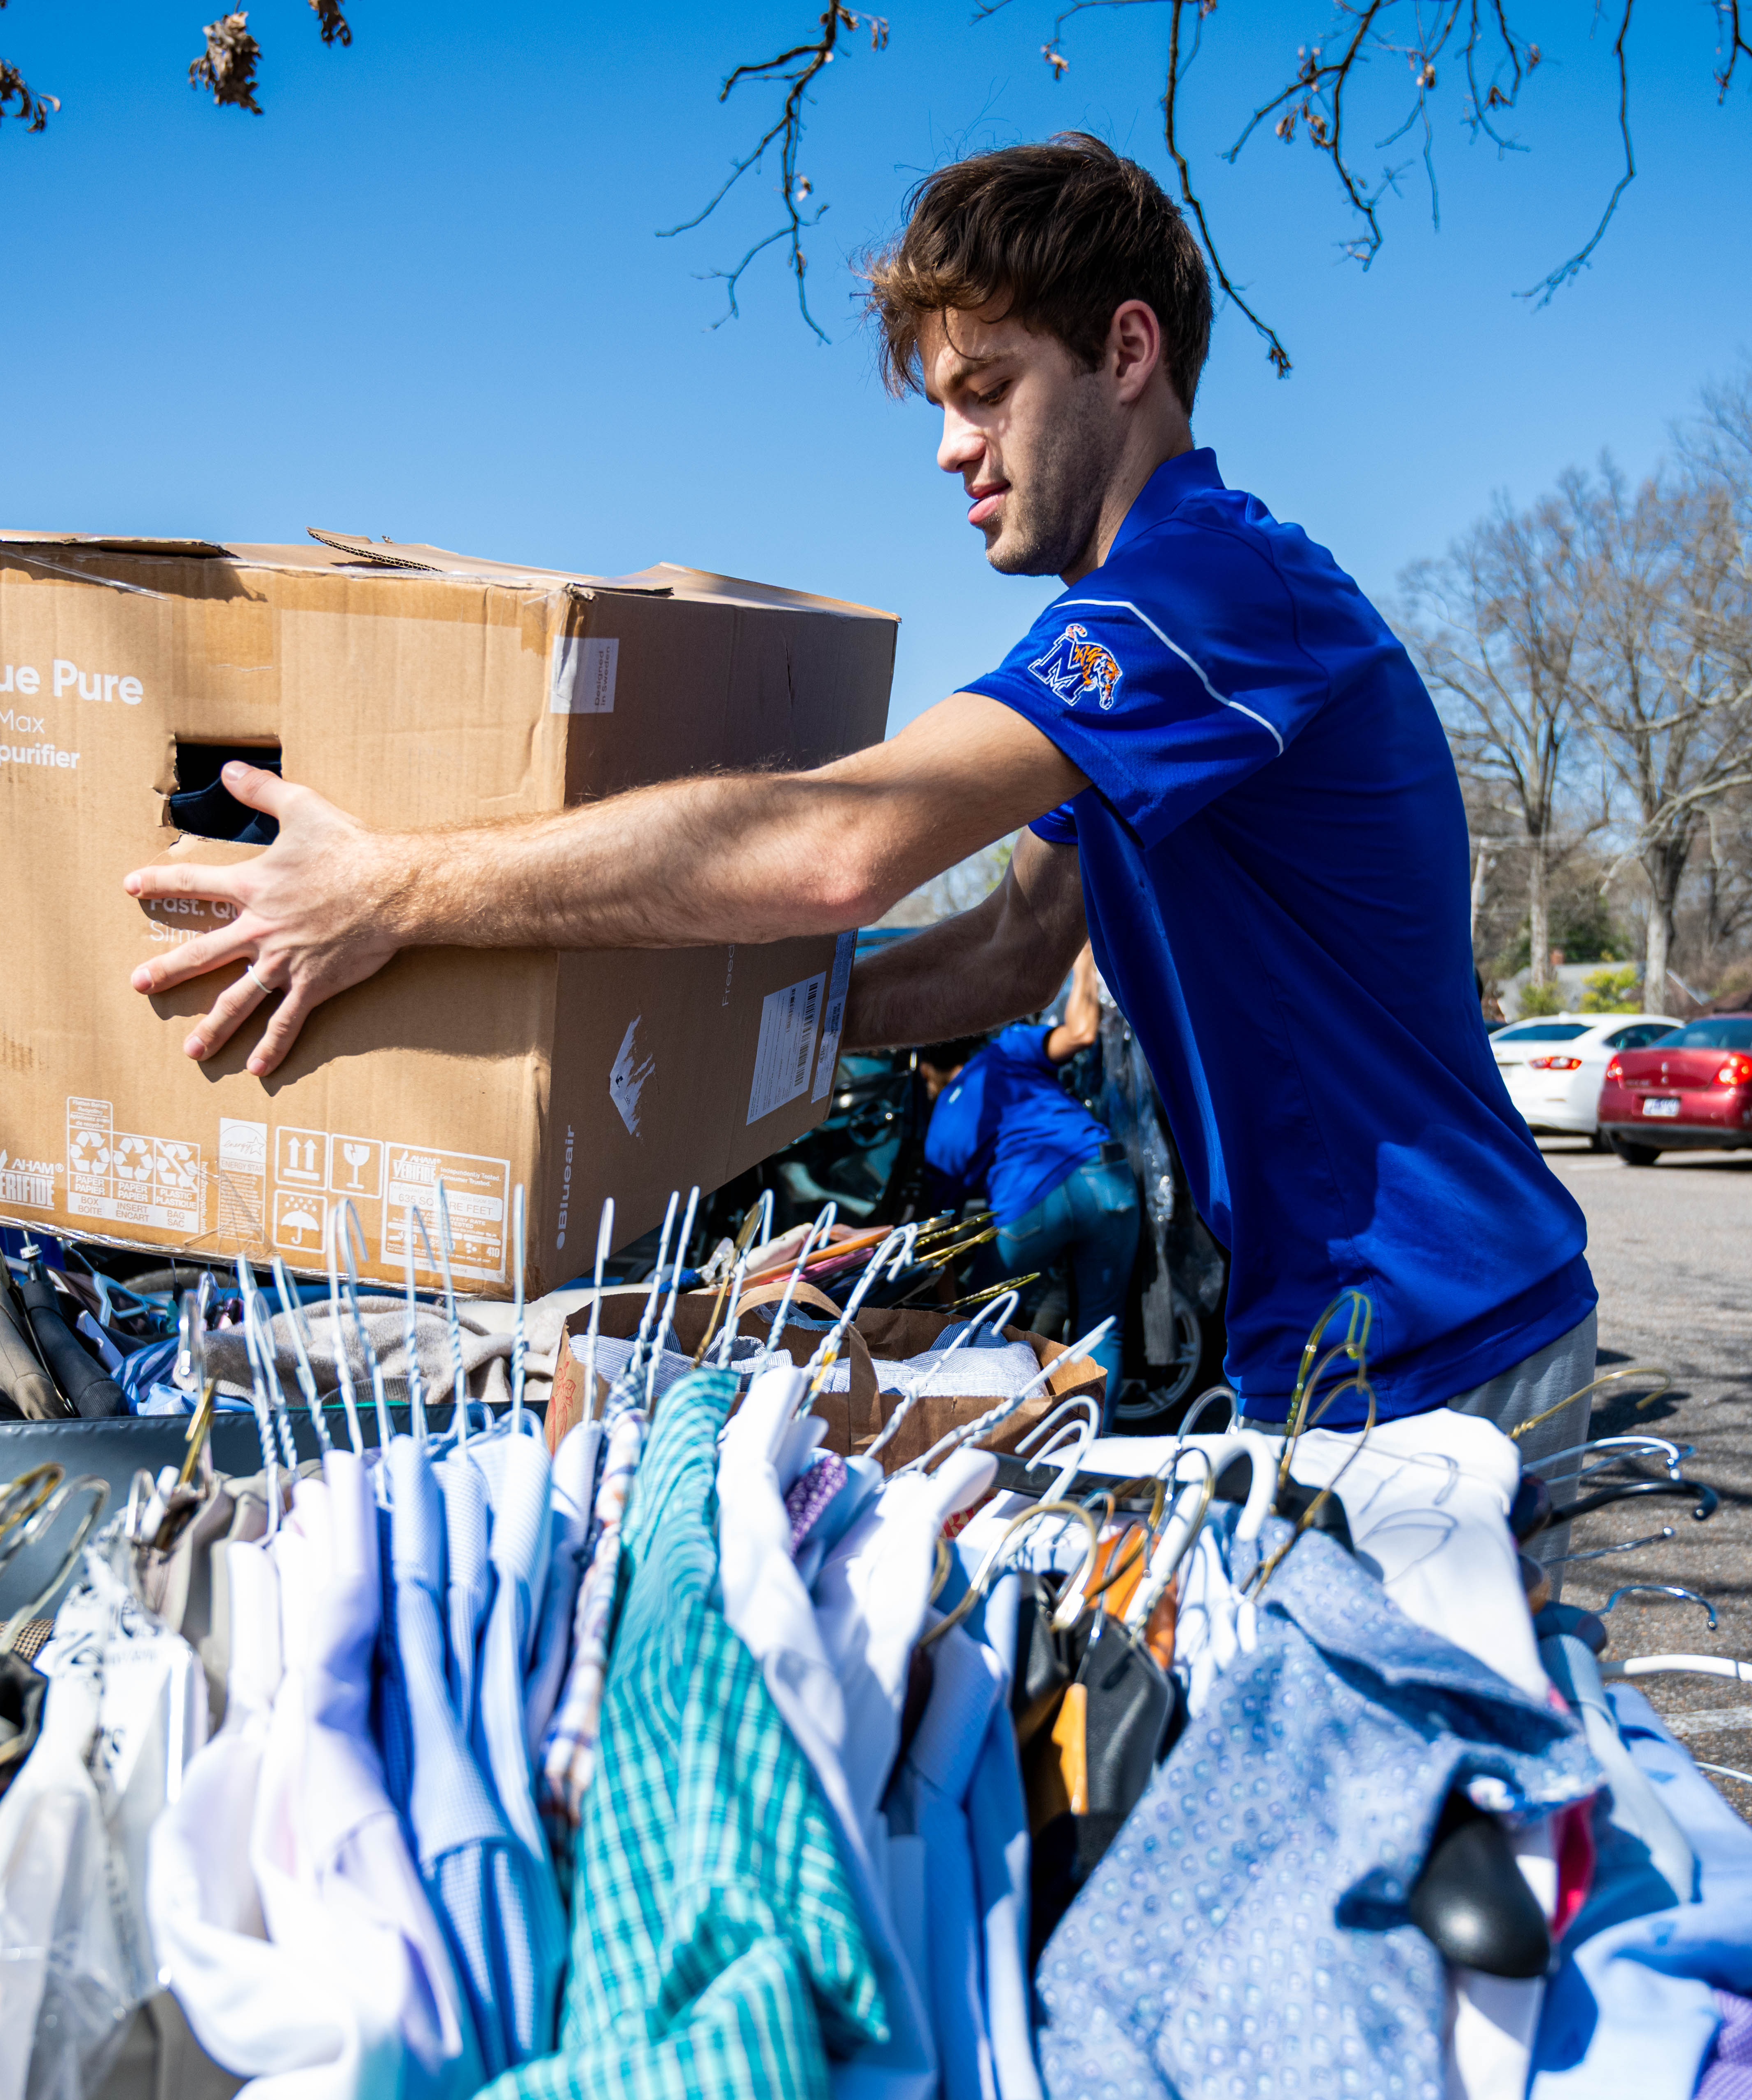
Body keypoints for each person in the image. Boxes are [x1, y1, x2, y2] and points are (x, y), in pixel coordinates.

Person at [115, 133, 1596, 1459]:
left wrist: (392, 890)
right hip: (1329, 1346)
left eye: (984, 390)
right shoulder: (1153, 658)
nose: (950, 448)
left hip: (1432, 1346)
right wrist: (682, 1043)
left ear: (1126, 350)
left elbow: (843, 851)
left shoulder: (1208, 594)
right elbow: (1001, 961)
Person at [918, 950, 1140, 1414]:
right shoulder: (1008, 1049)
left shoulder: (939, 1133)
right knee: (1104, 1327)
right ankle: (1093, 1441)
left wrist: (954, 1313)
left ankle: (1005, 1431)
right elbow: (1081, 1032)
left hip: (1029, 1204)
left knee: (984, 1326)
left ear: (927, 1070)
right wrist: (1083, 958)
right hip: (1104, 1175)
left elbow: (939, 1239)